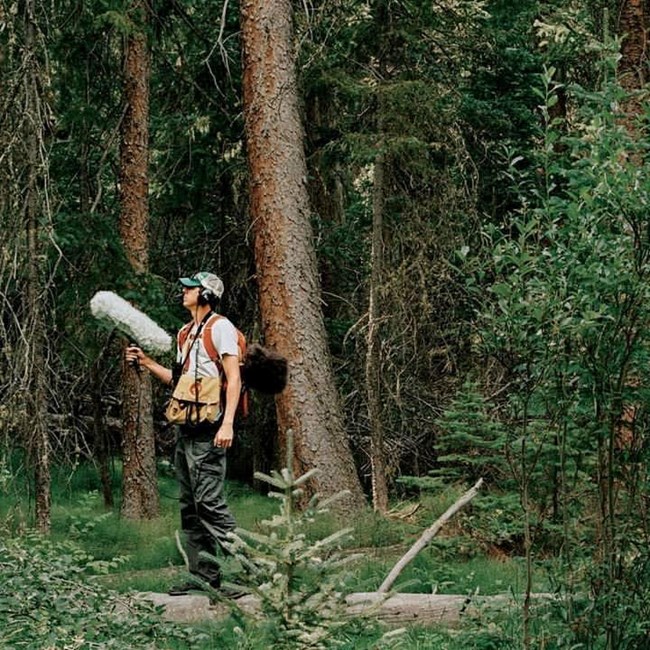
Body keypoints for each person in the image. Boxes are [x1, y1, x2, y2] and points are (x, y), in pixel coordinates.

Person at [125, 271, 242, 597]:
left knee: (210, 505)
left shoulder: (221, 328)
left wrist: (228, 423)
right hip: (186, 432)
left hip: (210, 432)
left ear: (205, 295)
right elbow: (179, 383)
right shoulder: (185, 333)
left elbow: (233, 379)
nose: (184, 291)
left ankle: (250, 573)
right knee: (190, 507)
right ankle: (204, 577)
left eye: (190, 288)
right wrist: (146, 363)